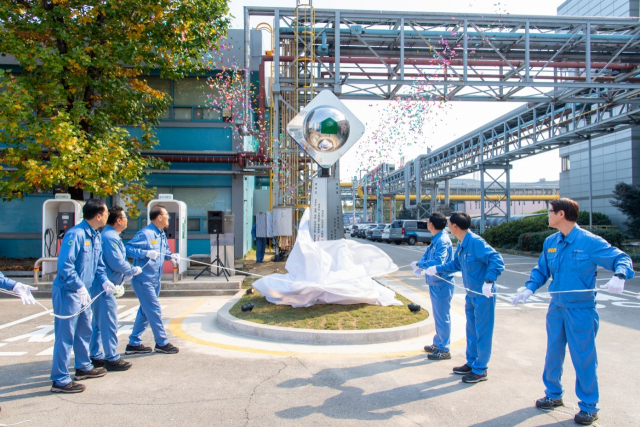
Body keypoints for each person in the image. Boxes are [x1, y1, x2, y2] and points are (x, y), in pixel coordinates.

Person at [512, 198, 634, 426]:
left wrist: (620, 275)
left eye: (550, 212)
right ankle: (553, 394)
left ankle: (589, 406)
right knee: (553, 353)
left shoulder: (589, 242)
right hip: (557, 307)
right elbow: (541, 270)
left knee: (583, 357)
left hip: (581, 310)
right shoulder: (551, 242)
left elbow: (621, 258)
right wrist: (528, 289)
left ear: (561, 214)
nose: (547, 215)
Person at [424, 211, 504, 383]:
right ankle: (472, 362)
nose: (447, 227)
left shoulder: (475, 242)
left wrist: (489, 280)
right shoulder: (462, 243)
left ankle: (480, 369)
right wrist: (438, 269)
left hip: (483, 295)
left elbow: (496, 259)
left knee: (483, 331)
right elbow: (456, 264)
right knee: (472, 329)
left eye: (449, 224)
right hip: (471, 294)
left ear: (455, 226)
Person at [50, 199, 112, 393]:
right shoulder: (75, 234)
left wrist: (104, 280)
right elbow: (64, 266)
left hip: (84, 292)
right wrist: (78, 286)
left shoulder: (95, 235)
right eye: (106, 212)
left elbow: (98, 264)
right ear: (98, 215)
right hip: (69, 292)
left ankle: (83, 367)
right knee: (65, 335)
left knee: (84, 330)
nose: (108, 215)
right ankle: (60, 379)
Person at [89, 206, 142, 371]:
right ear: (118, 220)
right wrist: (132, 270)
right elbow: (117, 262)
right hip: (105, 286)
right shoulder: (109, 237)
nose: (127, 219)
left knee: (98, 323)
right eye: (125, 217)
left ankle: (96, 355)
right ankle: (111, 358)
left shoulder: (110, 236)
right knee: (108, 322)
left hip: (104, 284)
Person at [125, 205, 180, 355]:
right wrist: (145, 253)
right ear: (159, 217)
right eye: (167, 214)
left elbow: (163, 252)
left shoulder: (161, 234)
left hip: (155, 279)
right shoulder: (145, 234)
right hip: (143, 280)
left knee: (145, 311)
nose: (169, 217)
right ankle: (162, 342)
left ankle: (133, 343)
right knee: (154, 310)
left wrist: (171, 256)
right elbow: (127, 248)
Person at [412, 212, 455, 360]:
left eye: (428, 222)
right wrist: (420, 264)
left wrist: (420, 265)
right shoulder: (436, 239)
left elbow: (438, 261)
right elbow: (427, 255)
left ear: (431, 224)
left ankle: (444, 348)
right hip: (435, 282)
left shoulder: (442, 240)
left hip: (442, 283)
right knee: (438, 315)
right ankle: (438, 343)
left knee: (442, 316)